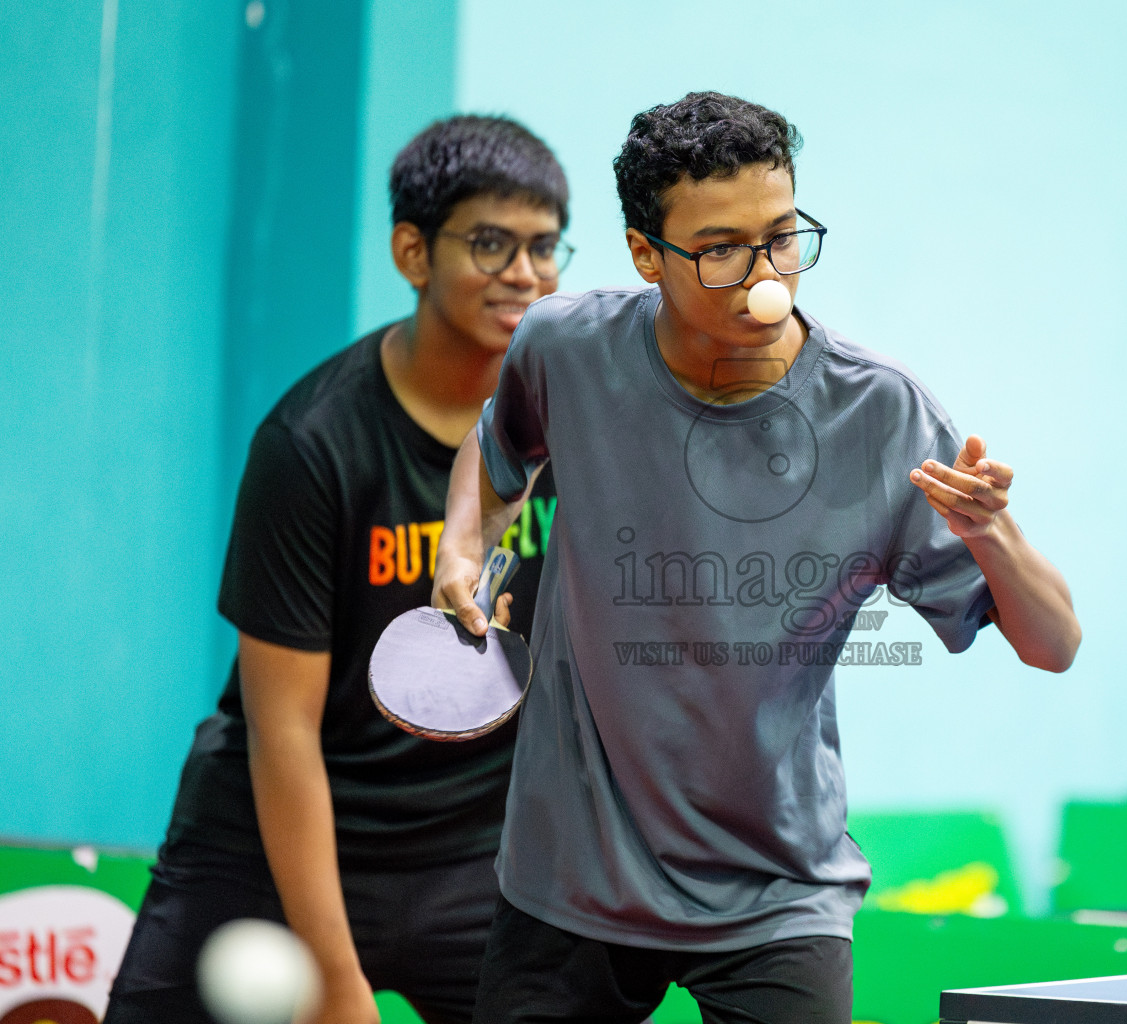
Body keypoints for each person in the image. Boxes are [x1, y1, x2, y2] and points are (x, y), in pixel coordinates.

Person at [432, 92, 1082, 1023]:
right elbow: (498, 453)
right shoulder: (565, 347)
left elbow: (1054, 644)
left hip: (778, 890)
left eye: (783, 236)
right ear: (644, 254)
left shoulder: (883, 414)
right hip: (573, 874)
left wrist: (995, 535)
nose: (764, 275)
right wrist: (465, 547)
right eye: (722, 248)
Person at [105, 115, 570, 1024]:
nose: (525, 273)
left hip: (474, 852)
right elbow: (283, 733)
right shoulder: (311, 444)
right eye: (491, 244)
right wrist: (333, 976)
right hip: (270, 840)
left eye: (545, 247)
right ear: (412, 251)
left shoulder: (574, 429)